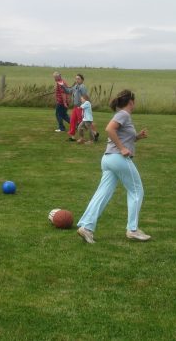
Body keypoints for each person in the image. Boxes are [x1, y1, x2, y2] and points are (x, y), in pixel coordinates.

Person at [77, 89, 150, 244]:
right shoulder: (124, 114)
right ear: (131, 102)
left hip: (108, 159)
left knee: (102, 194)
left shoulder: (122, 115)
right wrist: (122, 149)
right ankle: (133, 230)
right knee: (137, 191)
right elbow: (109, 129)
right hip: (118, 159)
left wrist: (137, 137)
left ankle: (86, 227)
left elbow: (123, 136)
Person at [64, 73, 88, 142]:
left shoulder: (82, 87)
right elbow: (69, 91)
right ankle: (72, 137)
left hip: (80, 107)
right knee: (72, 121)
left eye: (78, 79)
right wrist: (62, 86)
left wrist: (84, 106)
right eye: (76, 79)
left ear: (82, 80)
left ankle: (83, 137)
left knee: (81, 123)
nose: (77, 80)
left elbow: (85, 96)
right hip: (75, 107)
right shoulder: (75, 86)